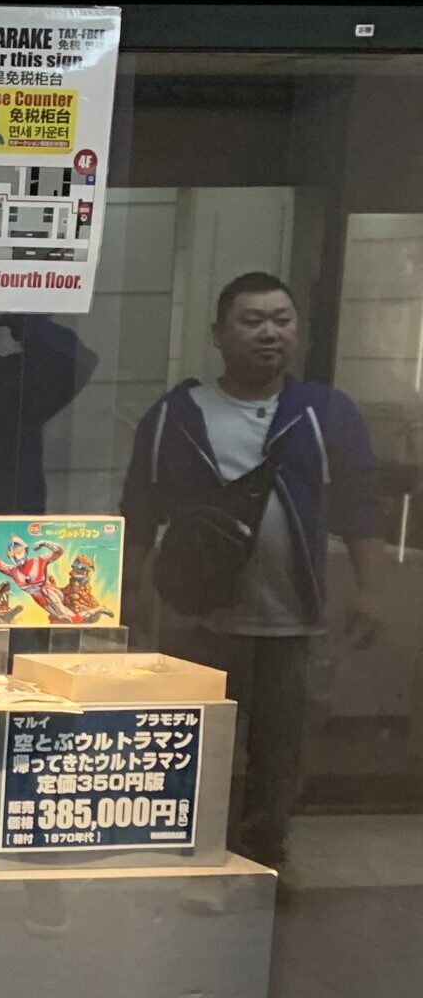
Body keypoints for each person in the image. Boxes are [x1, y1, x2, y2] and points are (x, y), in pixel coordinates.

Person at [123, 271, 385, 863]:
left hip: (292, 622)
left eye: (282, 320)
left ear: (298, 331)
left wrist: (371, 590)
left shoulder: (325, 412)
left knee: (282, 754)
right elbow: (139, 507)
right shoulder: (176, 414)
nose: (269, 333)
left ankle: (266, 860)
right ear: (219, 334)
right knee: (189, 748)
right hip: (196, 622)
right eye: (252, 320)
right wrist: (131, 593)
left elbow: (360, 505)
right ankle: (185, 858)